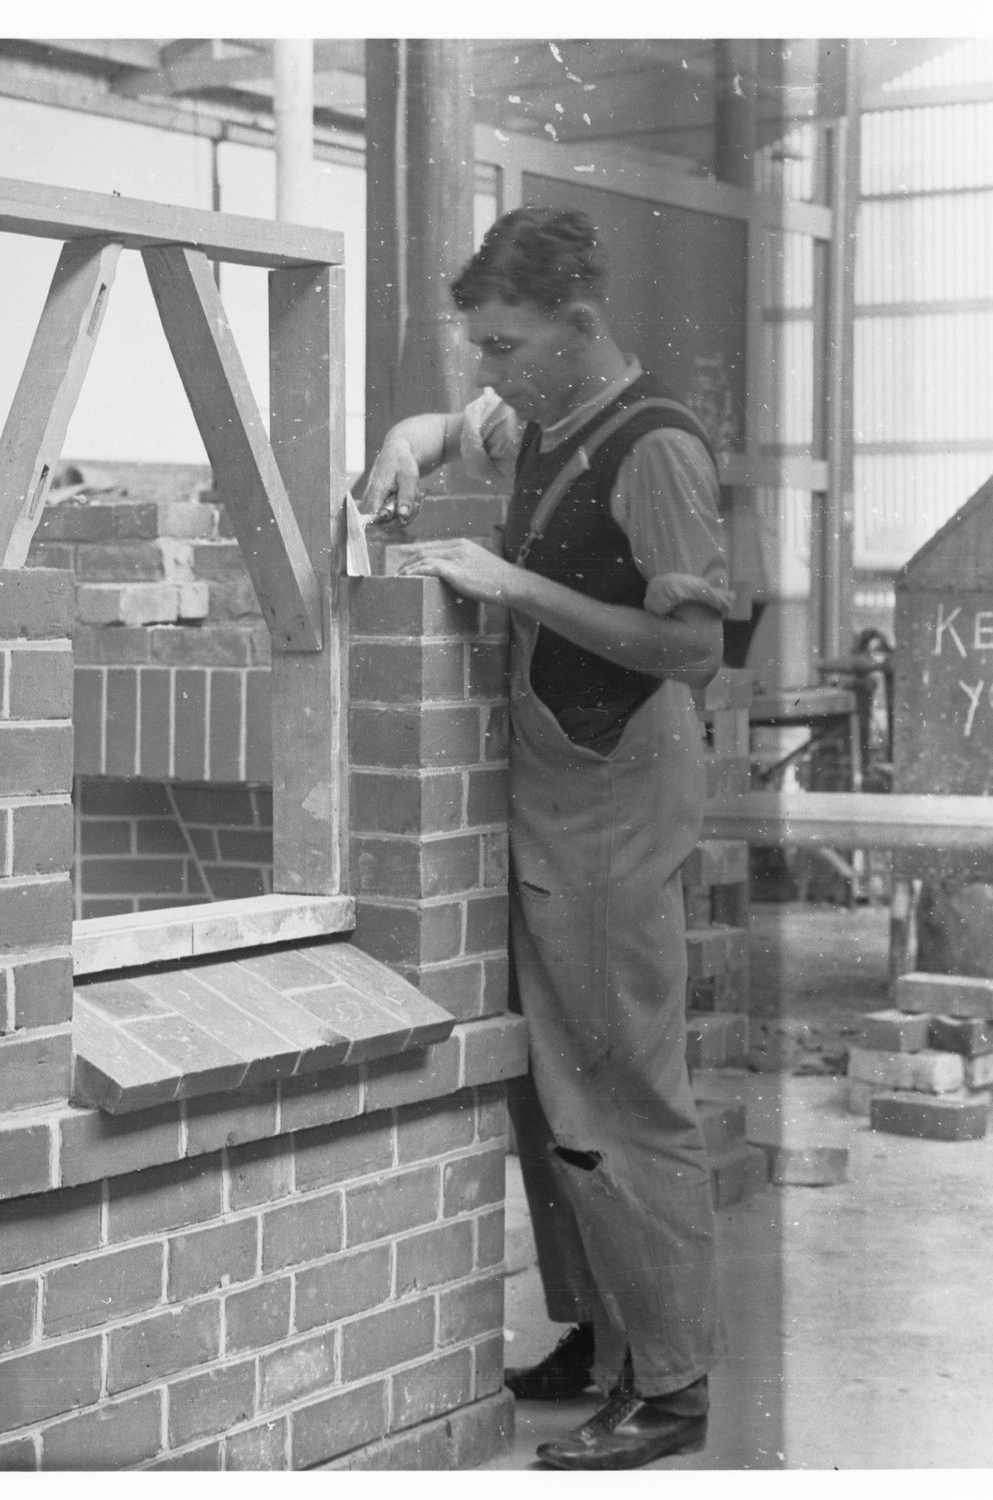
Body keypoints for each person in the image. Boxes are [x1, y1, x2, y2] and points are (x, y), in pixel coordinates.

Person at [361, 206, 730, 1471]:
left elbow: (690, 649)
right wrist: (403, 447)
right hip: (554, 798)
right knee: (552, 1089)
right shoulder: (538, 409)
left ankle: (670, 1385)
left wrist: (508, 585)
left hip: (615, 802)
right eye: (477, 349)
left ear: (577, 326)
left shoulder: (651, 449)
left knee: (619, 1093)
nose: (487, 375)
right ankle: (600, 1333)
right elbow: (447, 427)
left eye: (503, 347)